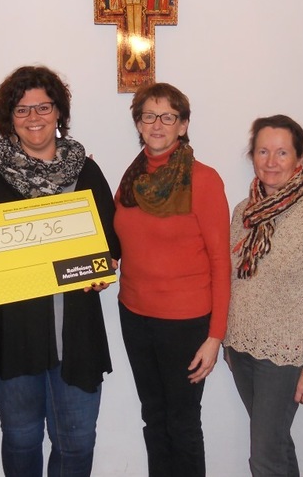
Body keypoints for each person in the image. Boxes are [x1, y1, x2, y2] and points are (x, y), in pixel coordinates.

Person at [0, 65, 120, 477]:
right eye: (22, 109)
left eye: (43, 107)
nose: (34, 117)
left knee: (77, 442)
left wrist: (103, 268)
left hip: (75, 334)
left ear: (59, 112)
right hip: (10, 333)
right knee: (21, 438)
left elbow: (109, 245)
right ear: (9, 118)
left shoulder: (85, 171)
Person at [222, 115, 303, 477]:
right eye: (263, 151)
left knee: (265, 457)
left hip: (285, 358)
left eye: (282, 152)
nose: (271, 161)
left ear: (299, 159)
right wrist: (230, 340)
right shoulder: (243, 212)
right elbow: (234, 280)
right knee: (275, 447)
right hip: (242, 350)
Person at [114, 82, 230, 477]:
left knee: (182, 423)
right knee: (153, 417)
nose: (157, 124)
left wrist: (215, 337)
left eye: (168, 117)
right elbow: (116, 242)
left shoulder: (204, 179)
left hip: (185, 323)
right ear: (138, 124)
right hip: (134, 315)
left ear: (183, 125)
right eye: (149, 116)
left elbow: (221, 262)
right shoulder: (131, 178)